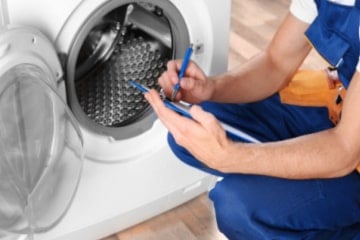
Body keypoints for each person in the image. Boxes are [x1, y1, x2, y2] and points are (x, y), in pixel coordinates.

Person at [145, 0, 360, 239]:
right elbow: (275, 62)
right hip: (342, 106)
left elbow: (344, 150)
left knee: (240, 208)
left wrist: (231, 157)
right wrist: (211, 88)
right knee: (194, 125)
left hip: (349, 148)